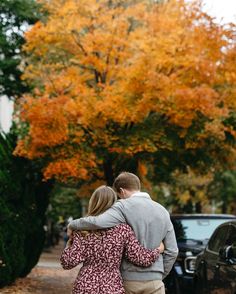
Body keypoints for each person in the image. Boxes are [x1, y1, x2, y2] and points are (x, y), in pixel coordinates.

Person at [68, 172, 178, 294]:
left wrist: (73, 224)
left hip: (128, 280)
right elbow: (173, 250)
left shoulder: (122, 206)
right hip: (155, 281)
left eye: (119, 195)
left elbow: (98, 222)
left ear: (122, 191)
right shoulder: (162, 211)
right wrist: (160, 274)